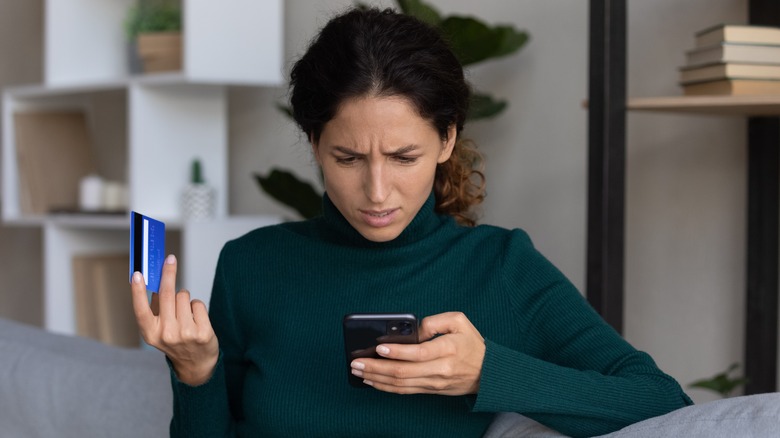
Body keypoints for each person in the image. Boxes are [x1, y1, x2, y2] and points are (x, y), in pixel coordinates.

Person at [130, 7, 692, 438]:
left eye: (404, 158)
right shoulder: (251, 264)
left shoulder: (501, 268)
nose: (377, 192)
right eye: (348, 159)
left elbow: (660, 404)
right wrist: (196, 372)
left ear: (447, 140)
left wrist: (487, 372)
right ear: (314, 143)